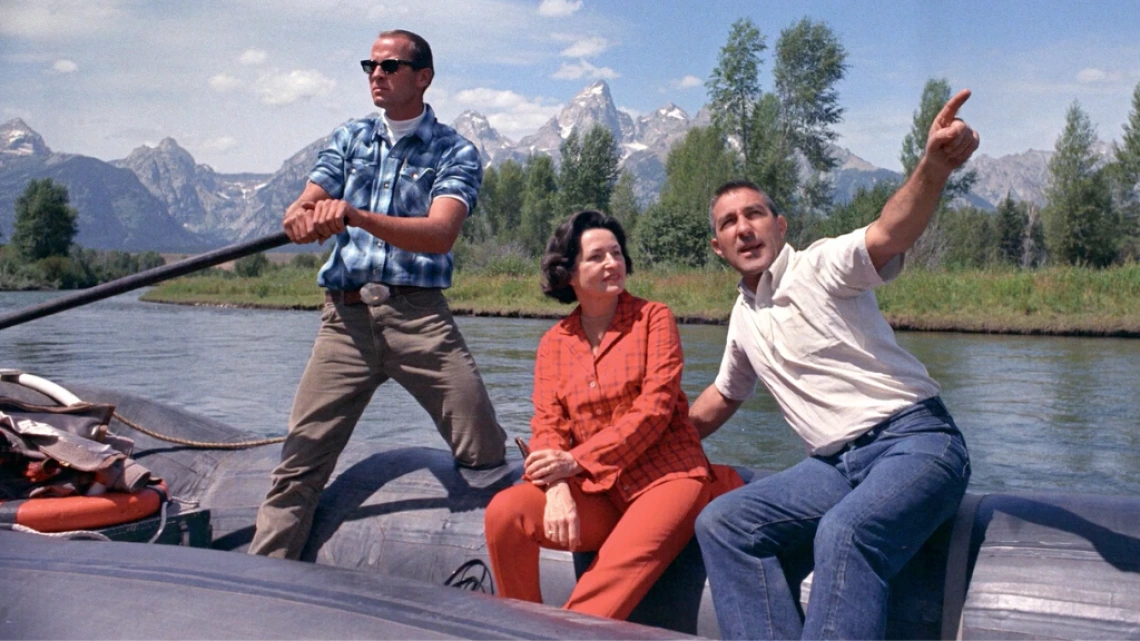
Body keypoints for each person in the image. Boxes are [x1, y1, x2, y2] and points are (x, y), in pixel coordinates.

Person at [691, 90, 981, 639]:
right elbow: (723, 396)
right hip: (832, 468)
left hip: (916, 442)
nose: (744, 227)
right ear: (718, 246)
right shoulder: (743, 316)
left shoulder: (822, 265)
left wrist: (935, 166)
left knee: (844, 533)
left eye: (754, 214)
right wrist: (650, 447)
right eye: (730, 223)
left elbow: (891, 231)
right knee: (723, 522)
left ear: (781, 225)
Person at [249, 29, 506, 560]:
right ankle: (262, 584)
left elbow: (440, 233)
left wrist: (356, 216)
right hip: (344, 322)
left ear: (423, 77)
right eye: (370, 65)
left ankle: (503, 559)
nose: (376, 75)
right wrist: (303, 220)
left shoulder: (455, 150)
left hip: (419, 319)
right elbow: (301, 208)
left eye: (389, 66)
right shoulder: (348, 139)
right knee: (299, 464)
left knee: (483, 449)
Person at [483, 210, 742, 620]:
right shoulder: (554, 343)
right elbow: (548, 424)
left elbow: (654, 411)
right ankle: (520, 624)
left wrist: (575, 461)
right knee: (504, 513)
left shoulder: (653, 318)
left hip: (666, 479)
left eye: (616, 253)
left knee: (606, 580)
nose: (611, 263)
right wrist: (557, 487)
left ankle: (561, 633)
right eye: (597, 256)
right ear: (569, 273)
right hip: (596, 492)